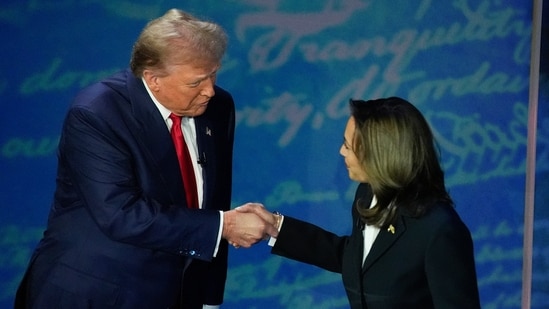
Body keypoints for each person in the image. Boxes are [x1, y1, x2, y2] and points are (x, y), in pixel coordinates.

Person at [14, 8, 277, 309]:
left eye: (213, 75)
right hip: (95, 293)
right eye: (196, 82)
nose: (209, 90)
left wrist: (208, 298)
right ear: (153, 79)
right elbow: (121, 213)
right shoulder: (97, 114)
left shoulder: (218, 108)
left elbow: (213, 199)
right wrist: (225, 226)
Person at [239, 97, 481, 308]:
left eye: (348, 145)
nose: (341, 152)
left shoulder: (439, 230)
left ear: (380, 155)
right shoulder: (366, 194)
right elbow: (358, 259)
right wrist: (276, 226)